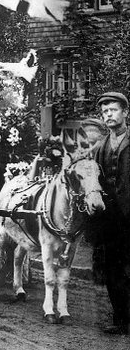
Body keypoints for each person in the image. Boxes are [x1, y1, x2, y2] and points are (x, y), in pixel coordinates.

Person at [89, 91, 130, 335]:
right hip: (111, 219)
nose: (108, 115)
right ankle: (121, 320)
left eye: (113, 110)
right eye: (105, 112)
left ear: (125, 113)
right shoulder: (100, 147)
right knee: (113, 270)